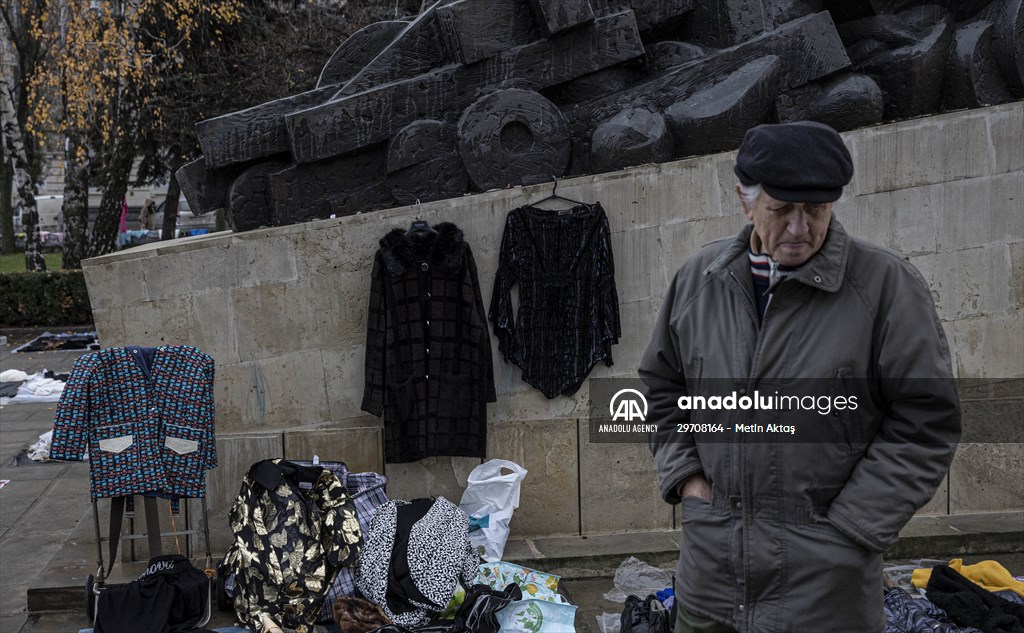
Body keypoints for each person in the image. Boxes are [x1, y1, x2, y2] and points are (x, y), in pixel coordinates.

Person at [639, 121, 961, 632]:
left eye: (816, 210)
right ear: (746, 203)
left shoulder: (885, 286)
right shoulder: (699, 280)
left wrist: (850, 529)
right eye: (782, 209)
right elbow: (661, 387)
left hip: (826, 588)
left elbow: (927, 420)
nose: (799, 228)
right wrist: (689, 480)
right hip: (710, 580)